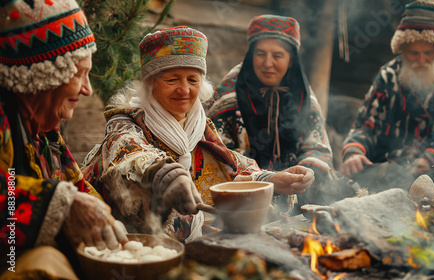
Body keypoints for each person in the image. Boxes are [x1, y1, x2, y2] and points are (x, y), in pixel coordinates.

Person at [81, 26, 314, 242]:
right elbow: (129, 153)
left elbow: (230, 165)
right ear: (149, 83)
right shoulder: (125, 120)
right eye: (172, 79)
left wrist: (272, 180)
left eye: (193, 80)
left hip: (192, 240)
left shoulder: (200, 125)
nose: (184, 90)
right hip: (132, 243)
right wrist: (166, 175)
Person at [0, 1, 128, 279]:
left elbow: (77, 188)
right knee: (44, 261)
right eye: (79, 73)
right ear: (42, 76)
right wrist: (60, 203)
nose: (87, 89)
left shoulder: (45, 134)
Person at [207, 15, 354, 209]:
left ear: (291, 60)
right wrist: (266, 179)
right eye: (260, 54)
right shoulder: (230, 92)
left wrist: (306, 172)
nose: (268, 63)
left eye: (277, 56)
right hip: (246, 191)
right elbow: (217, 151)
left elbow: (318, 146)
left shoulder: (301, 91)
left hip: (297, 191)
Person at [340, 1, 434, 192]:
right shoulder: (388, 76)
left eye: (428, 53)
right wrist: (355, 150)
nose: (421, 60)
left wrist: (428, 159)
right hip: (390, 170)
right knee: (353, 182)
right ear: (402, 49)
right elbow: (366, 124)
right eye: (413, 53)